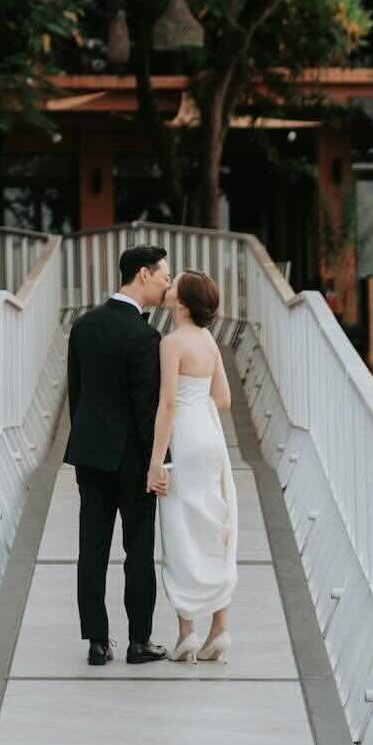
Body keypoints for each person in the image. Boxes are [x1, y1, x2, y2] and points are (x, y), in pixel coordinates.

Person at [64, 245, 170, 666]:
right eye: (163, 276)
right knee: (138, 550)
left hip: (90, 453)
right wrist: (159, 462)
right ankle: (139, 642)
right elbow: (147, 410)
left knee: (91, 548)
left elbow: (76, 393)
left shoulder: (84, 325)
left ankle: (96, 642)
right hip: (132, 460)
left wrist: (85, 440)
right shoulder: (145, 337)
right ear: (143, 274)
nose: (166, 285)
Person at [148, 268, 237, 662]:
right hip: (210, 435)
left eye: (174, 285)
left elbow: (167, 405)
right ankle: (220, 627)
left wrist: (156, 462)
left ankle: (187, 631)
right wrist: (197, 403)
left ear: (181, 304)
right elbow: (224, 399)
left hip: (183, 438)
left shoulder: (171, 343)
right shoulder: (208, 341)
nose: (168, 287)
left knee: (180, 529)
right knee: (214, 525)